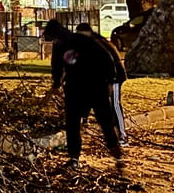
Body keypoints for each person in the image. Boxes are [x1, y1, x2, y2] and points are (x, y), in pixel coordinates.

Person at [42, 18, 123, 167]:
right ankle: (114, 150)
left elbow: (105, 58)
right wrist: (56, 83)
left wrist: (56, 83)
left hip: (84, 87)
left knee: (75, 123)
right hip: (90, 87)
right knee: (102, 121)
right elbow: (106, 58)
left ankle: (76, 157)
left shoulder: (71, 42)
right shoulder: (76, 41)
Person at [77, 22, 128, 144]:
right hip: (102, 78)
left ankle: (122, 134)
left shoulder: (100, 44)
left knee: (115, 104)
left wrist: (110, 81)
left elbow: (111, 64)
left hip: (115, 77)